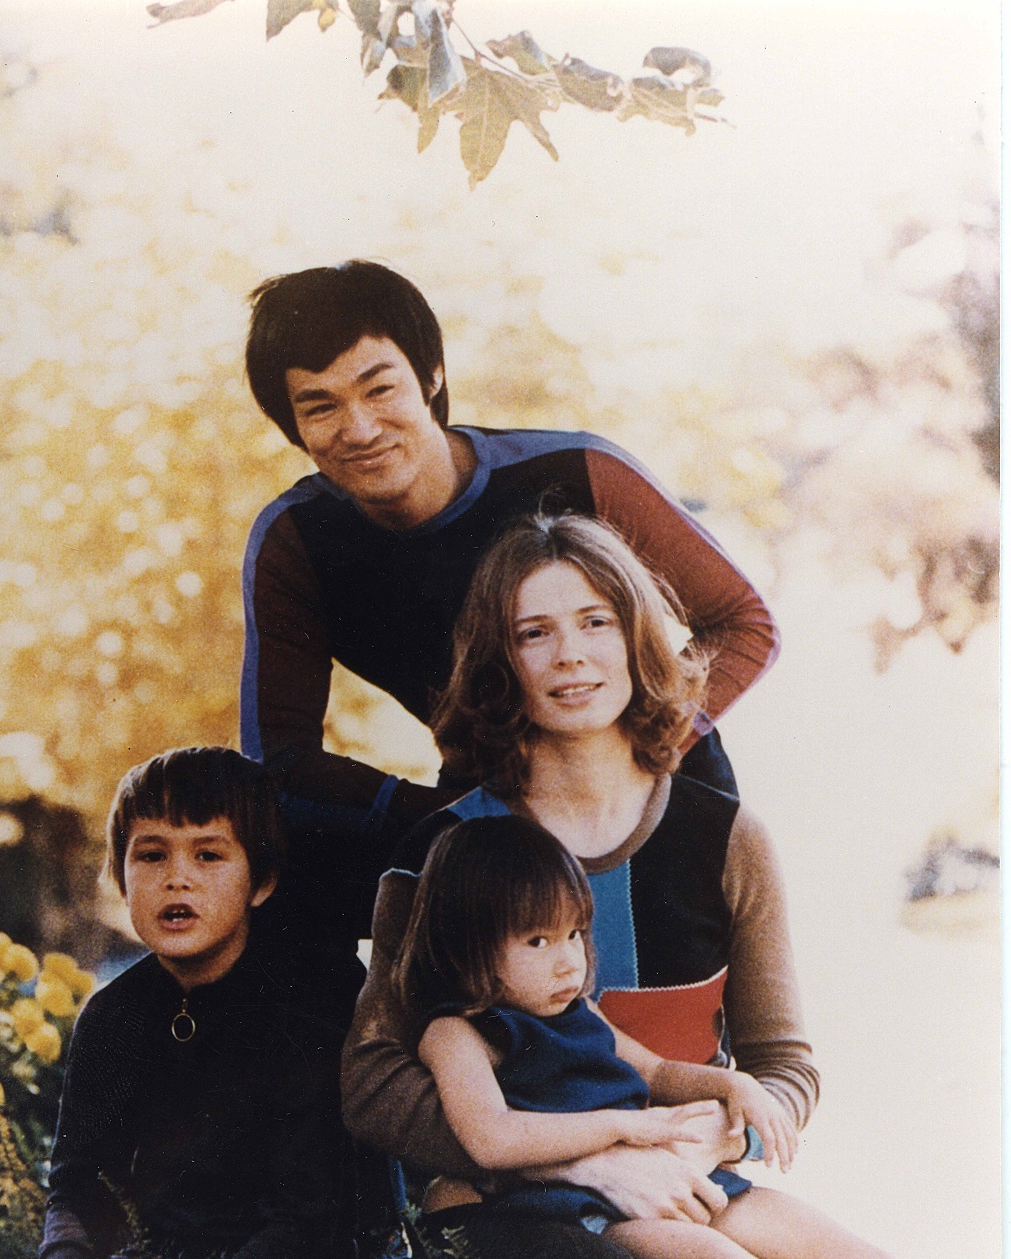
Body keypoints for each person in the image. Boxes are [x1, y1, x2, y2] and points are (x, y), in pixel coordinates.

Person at [340, 512, 816, 1259]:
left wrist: (708, 1136)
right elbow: (372, 1078)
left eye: (597, 621)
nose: (570, 655)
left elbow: (784, 1064)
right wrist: (571, 1160)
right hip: (497, 1218)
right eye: (534, 632)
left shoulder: (726, 837)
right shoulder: (443, 847)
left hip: (680, 1188)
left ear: (640, 637)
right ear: (500, 662)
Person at [240, 259, 780, 1008]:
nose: (359, 427)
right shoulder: (297, 540)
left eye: (380, 387)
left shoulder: (575, 470)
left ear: (429, 374)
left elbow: (744, 622)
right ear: (290, 424)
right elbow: (280, 757)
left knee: (678, 1050)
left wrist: (640, 748)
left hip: (656, 790)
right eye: (319, 405)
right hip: (487, 813)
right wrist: (444, 819)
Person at [394, 813, 967, 1259]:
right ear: (467, 945)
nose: (567, 961)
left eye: (574, 934)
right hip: (589, 1210)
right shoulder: (459, 1035)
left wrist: (731, 1083)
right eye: (537, 941)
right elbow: (490, 1139)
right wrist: (620, 1129)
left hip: (677, 1175)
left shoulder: (579, 1012)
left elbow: (658, 1073)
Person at [0, 748, 347, 1259]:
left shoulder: (299, 1014)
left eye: (208, 855)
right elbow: (76, 1176)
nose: (176, 878)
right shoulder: (113, 1014)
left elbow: (311, 1224)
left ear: (259, 881)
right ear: (121, 876)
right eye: (151, 855)